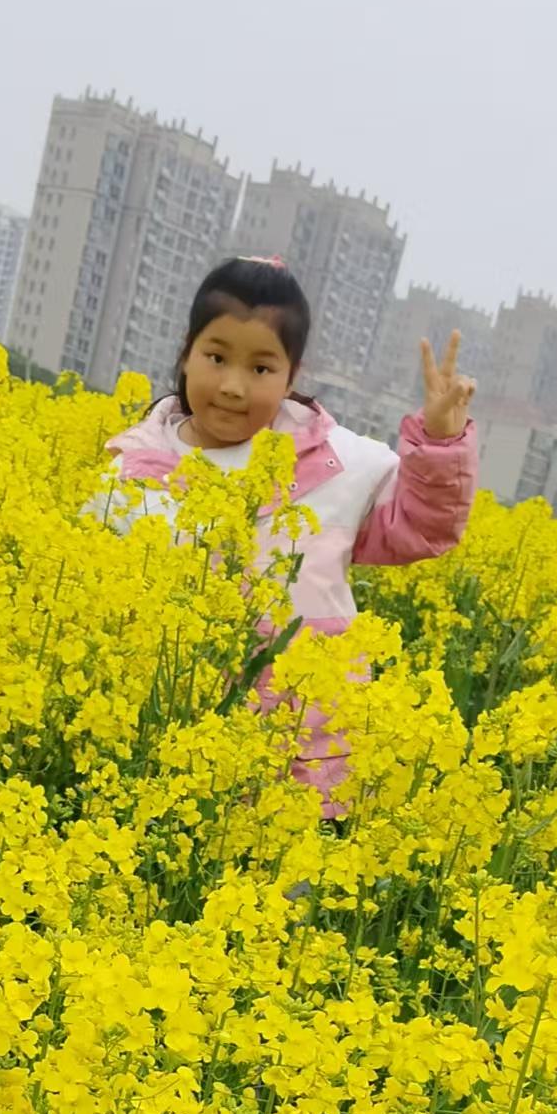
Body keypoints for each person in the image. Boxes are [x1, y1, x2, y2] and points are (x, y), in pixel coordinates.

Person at [101, 255, 478, 807]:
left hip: (309, 769)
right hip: (170, 761)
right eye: (216, 356)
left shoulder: (342, 466)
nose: (232, 386)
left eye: (260, 368)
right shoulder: (132, 475)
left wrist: (442, 444)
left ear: (291, 376)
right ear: (185, 352)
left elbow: (425, 526)